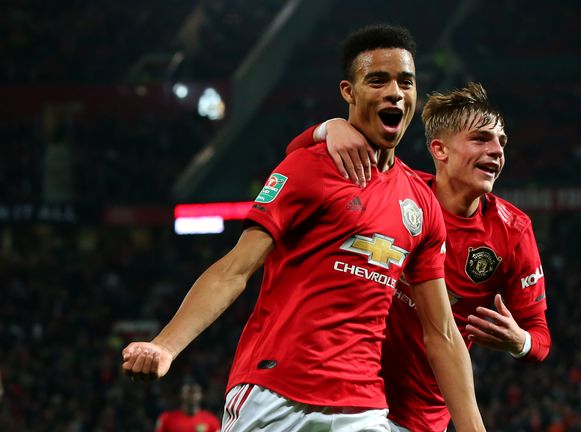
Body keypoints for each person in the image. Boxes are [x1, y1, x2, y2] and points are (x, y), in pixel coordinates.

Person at [122, 25, 485, 432]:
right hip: (274, 394)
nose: (395, 93)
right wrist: (165, 346)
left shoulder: (421, 205)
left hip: (362, 409)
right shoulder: (309, 168)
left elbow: (443, 334)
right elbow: (234, 270)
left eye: (406, 81)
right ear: (349, 91)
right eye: (378, 80)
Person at [287, 82, 551, 431]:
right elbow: (296, 156)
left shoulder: (513, 231)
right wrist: (328, 128)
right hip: (345, 394)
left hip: (417, 420)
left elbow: (540, 339)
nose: (497, 150)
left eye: (501, 142)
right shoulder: (397, 189)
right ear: (440, 149)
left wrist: (520, 342)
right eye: (481, 139)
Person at [155, 382, 221, 432]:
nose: (192, 395)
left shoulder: (211, 420)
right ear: (181, 395)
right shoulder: (167, 419)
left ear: (201, 396)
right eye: (188, 392)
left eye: (195, 392)